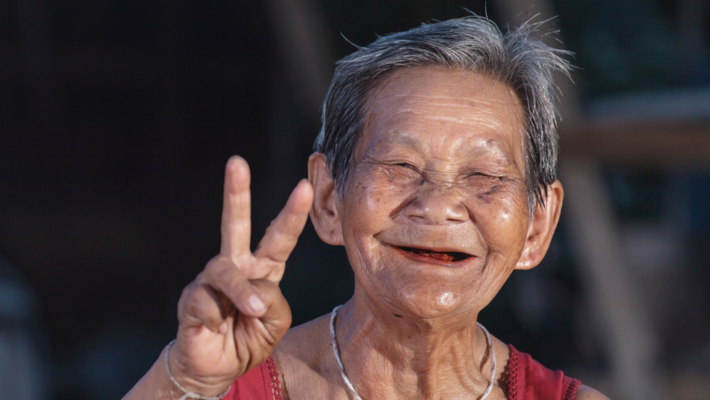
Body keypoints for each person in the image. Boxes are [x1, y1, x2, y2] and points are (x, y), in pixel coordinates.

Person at [124, 15, 608, 400]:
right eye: (400, 164)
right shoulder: (238, 388)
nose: (438, 207)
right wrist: (185, 381)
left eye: (483, 176)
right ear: (331, 200)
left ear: (536, 227)